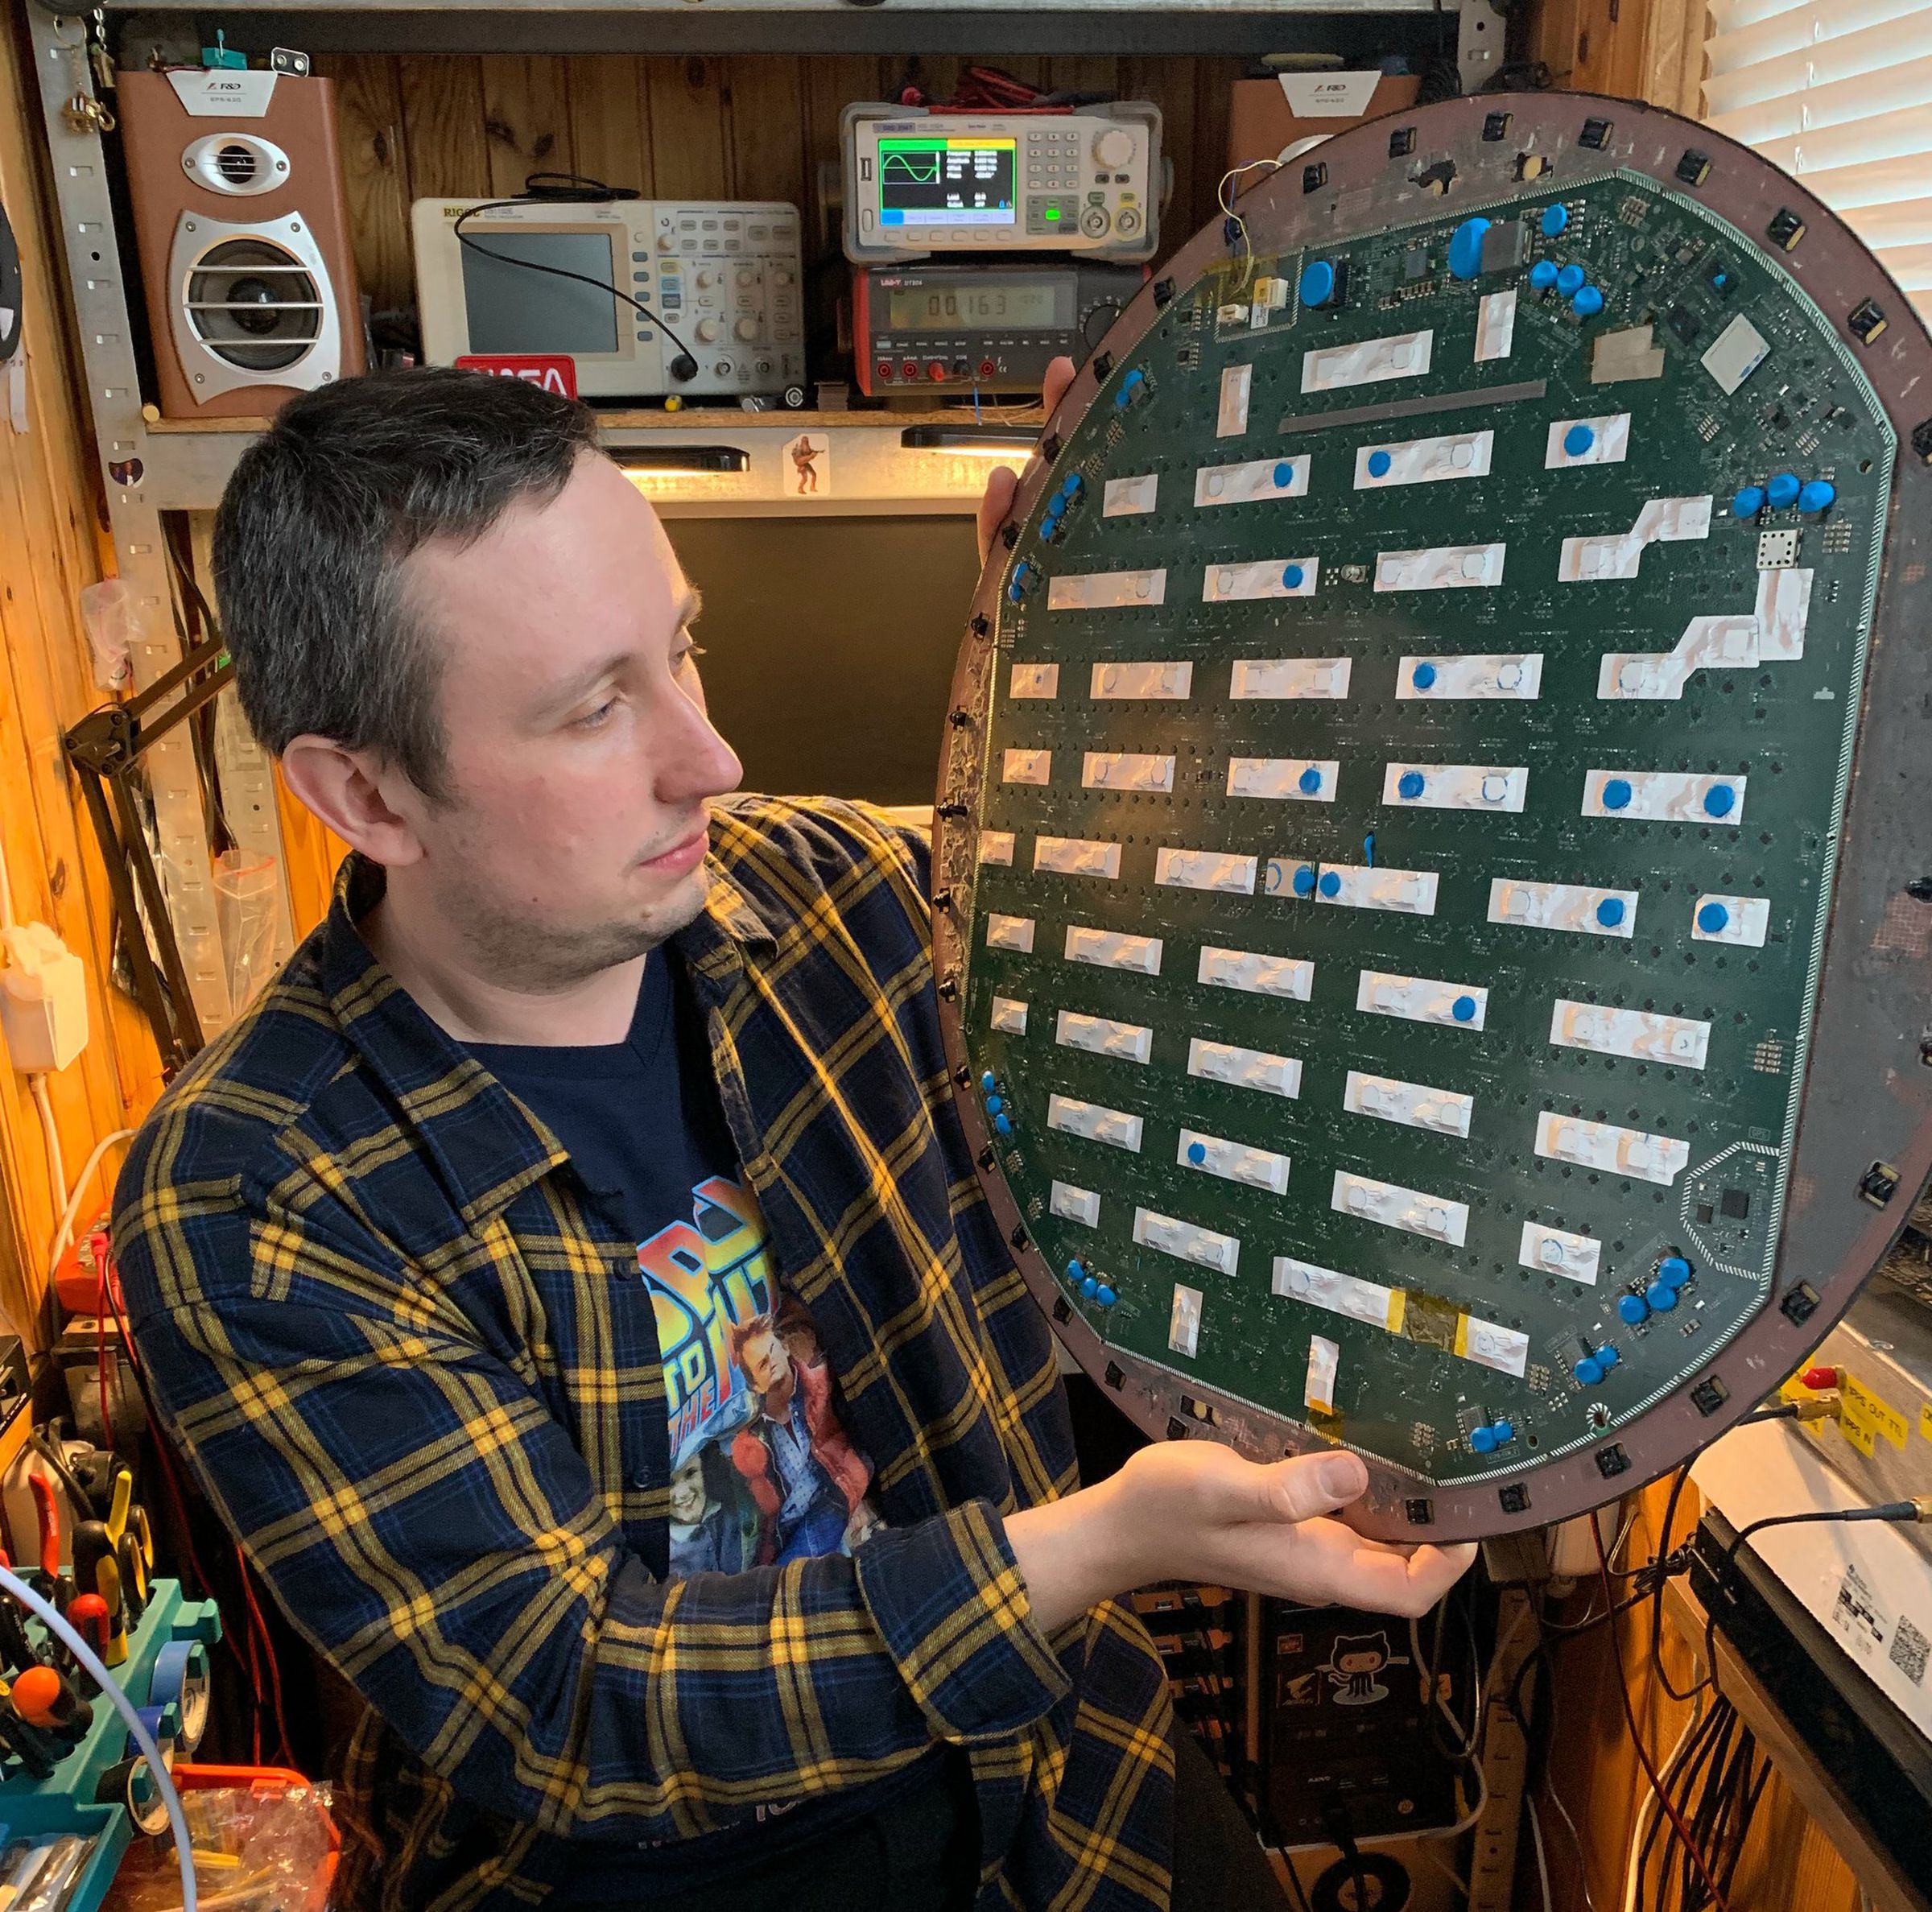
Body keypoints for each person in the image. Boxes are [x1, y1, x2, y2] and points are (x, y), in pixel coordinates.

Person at [112, 361, 1473, 1912]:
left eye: (682, 649)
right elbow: (573, 1707)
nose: (709, 755)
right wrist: (1103, 1545)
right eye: (592, 708)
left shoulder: (833, 893)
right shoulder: (256, 1192)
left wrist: (1104, 653)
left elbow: (1182, 951)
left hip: (1059, 1785)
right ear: (365, 793)